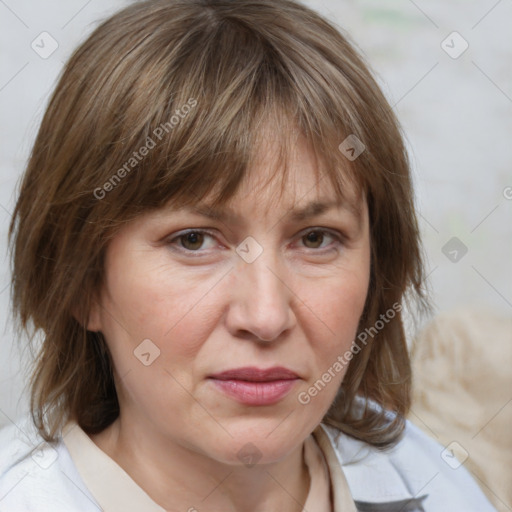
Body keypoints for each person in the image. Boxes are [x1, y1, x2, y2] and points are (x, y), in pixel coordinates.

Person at [0, 0, 497, 511]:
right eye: (193, 240)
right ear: (81, 281)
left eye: (315, 238)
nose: (266, 316)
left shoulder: (438, 482)